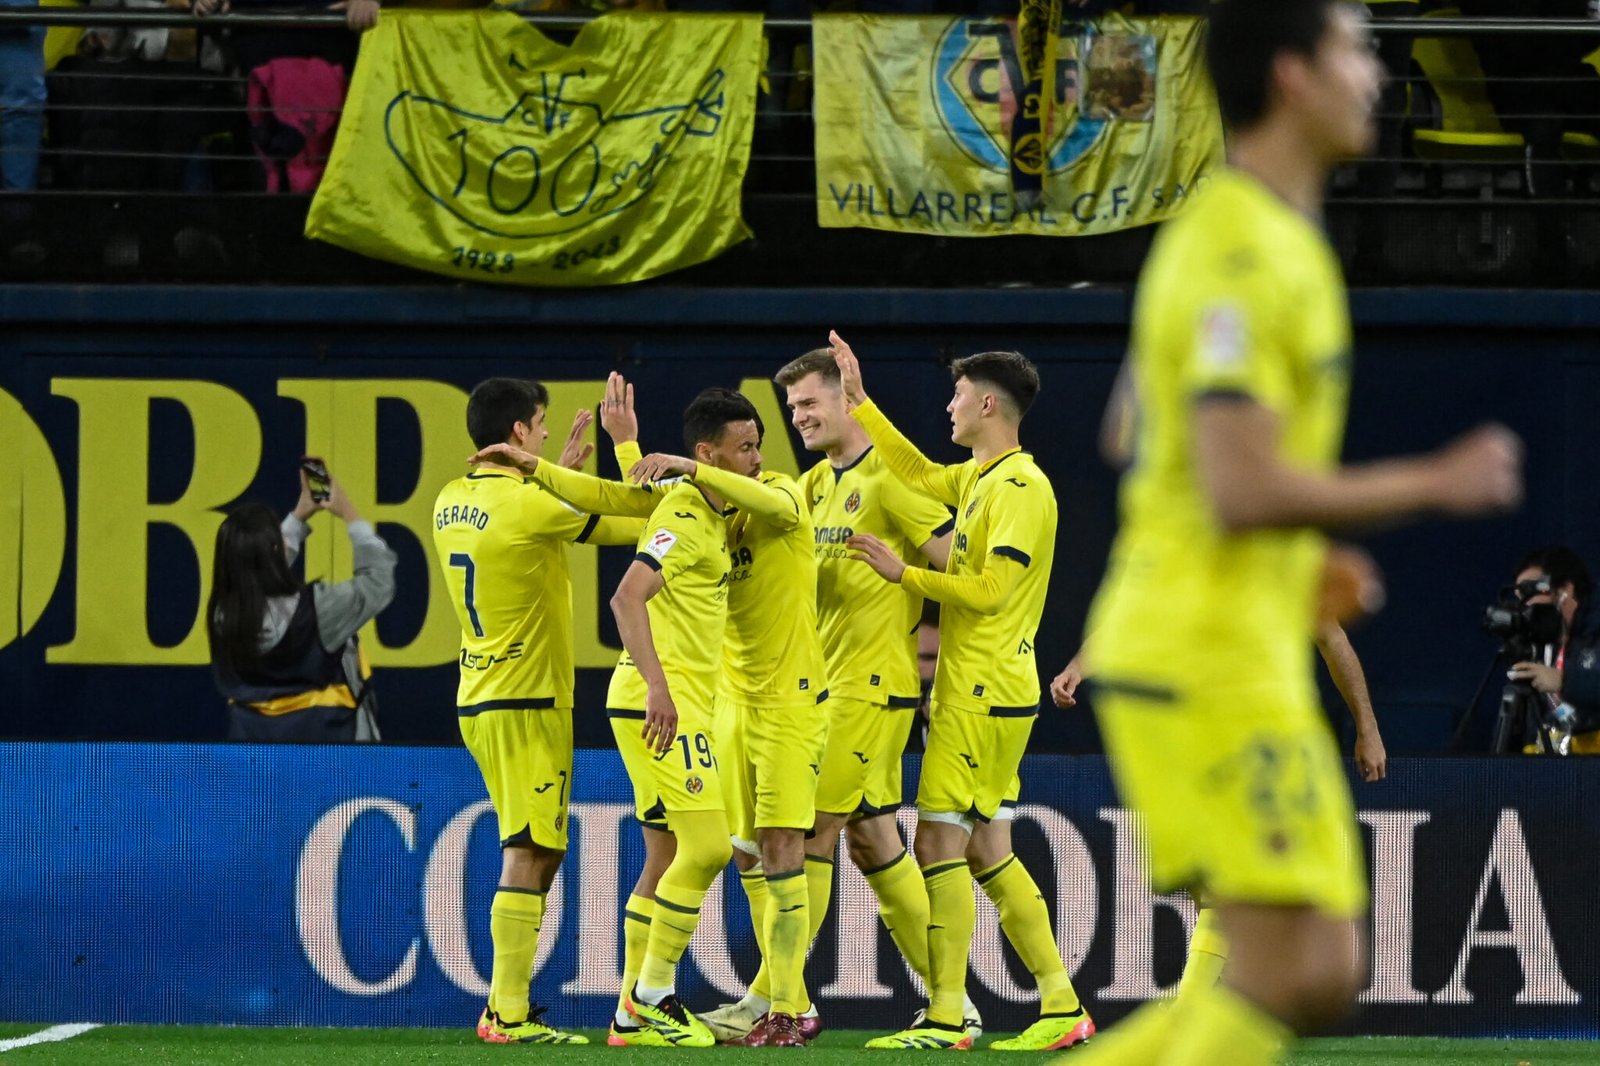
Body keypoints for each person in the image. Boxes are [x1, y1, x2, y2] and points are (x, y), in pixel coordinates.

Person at [1073, 3, 1522, 1063]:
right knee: (1292, 969)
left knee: (1311, 969)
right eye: (1353, 50)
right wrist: (1435, 479)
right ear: (1290, 76)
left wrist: (1290, 546)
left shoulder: (1253, 237)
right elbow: (1233, 485)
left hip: (1229, 639)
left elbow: (1129, 424)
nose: (1377, 72)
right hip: (1195, 649)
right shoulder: (1242, 250)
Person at [829, 335, 1094, 1053]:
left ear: (985, 403)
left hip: (984, 692)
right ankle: (1061, 1004)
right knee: (984, 850)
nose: (946, 407)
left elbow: (989, 591)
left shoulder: (1021, 489)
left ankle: (947, 1016)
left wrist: (902, 574)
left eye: (954, 396)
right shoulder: (982, 475)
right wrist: (859, 400)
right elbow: (915, 472)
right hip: (981, 690)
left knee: (939, 841)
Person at [698, 348, 969, 1044]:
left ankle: (774, 998)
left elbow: (960, 567)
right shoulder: (812, 485)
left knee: (811, 831)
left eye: (811, 403)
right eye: (792, 408)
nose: (800, 417)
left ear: (849, 397)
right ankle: (951, 1003)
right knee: (873, 841)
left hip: (870, 687)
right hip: (822, 691)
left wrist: (911, 591)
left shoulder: (890, 476)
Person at [436, 376, 644, 1045]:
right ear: (519, 433)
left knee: (541, 846)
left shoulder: (451, 497)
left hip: (480, 695)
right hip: (527, 698)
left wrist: (557, 475)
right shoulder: (530, 505)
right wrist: (600, 462)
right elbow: (630, 516)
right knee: (528, 850)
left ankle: (508, 1005)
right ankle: (507, 1014)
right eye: (542, 424)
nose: (550, 433)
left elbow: (525, 522)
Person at [622, 386, 831, 1047]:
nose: (758, 459)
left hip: (787, 702)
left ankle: (785, 1006)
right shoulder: (703, 515)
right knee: (726, 850)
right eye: (745, 448)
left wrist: (678, 465)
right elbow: (629, 512)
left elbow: (760, 497)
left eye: (759, 445)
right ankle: (648, 1003)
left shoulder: (773, 495)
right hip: (697, 703)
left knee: (766, 848)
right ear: (712, 451)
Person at [208, 468, 394, 742]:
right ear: (273, 552)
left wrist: (298, 516)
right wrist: (349, 513)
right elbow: (379, 580)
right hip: (330, 764)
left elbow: (256, 571)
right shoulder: (320, 611)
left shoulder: (222, 616)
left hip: (254, 764)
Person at [1504, 546, 1600, 754]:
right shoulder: (1537, 645)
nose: (1526, 605)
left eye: (1532, 593)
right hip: (1552, 775)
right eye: (1520, 596)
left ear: (1566, 589)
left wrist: (1563, 682)